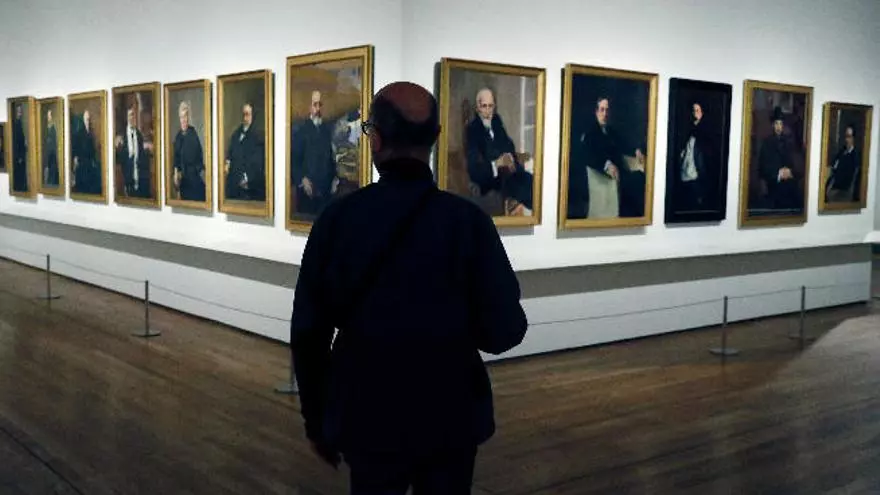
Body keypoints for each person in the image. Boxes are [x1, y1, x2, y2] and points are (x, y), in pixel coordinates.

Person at [290, 81, 528, 494]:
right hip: (450, 415)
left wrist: (317, 421)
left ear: (376, 140)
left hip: (368, 413)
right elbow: (505, 330)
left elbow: (309, 332)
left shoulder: (339, 221)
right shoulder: (468, 223)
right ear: (435, 138)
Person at [465, 87, 533, 215]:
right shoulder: (472, 130)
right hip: (491, 180)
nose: (488, 111)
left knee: (531, 181)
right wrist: (496, 164)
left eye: (490, 106)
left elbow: (508, 144)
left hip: (509, 173)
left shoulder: (496, 121)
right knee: (524, 188)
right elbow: (474, 168)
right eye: (484, 106)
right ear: (477, 108)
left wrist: (510, 158)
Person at [290, 90, 338, 217]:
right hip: (307, 192)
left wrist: (334, 178)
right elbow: (294, 161)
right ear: (309, 107)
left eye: (320, 105)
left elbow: (331, 158)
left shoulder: (326, 130)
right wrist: (303, 179)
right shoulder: (301, 131)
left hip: (325, 192)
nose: (318, 108)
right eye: (315, 104)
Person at [758, 106, 801, 212]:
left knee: (795, 194)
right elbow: (763, 167)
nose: (778, 127)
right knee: (780, 194)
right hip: (773, 181)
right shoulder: (766, 143)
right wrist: (778, 173)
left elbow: (792, 163)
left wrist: (789, 171)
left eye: (780, 124)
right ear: (773, 125)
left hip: (788, 180)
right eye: (776, 123)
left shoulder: (787, 142)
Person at [225, 102, 265, 201]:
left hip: (249, 185)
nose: (245, 118)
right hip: (234, 181)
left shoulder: (257, 136)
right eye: (243, 114)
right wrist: (227, 162)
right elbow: (230, 153)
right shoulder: (236, 134)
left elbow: (258, 162)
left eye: (247, 114)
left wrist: (246, 178)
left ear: (252, 116)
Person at [172, 101, 206, 202]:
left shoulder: (193, 134)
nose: (183, 120)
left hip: (193, 178)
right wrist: (176, 174)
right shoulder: (178, 136)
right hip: (182, 180)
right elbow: (176, 159)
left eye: (185, 116)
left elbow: (199, 157)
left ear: (188, 118)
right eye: (181, 117)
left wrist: (192, 171)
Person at [115, 106, 152, 198]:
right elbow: (119, 157)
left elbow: (141, 153)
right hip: (126, 175)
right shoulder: (122, 134)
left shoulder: (139, 135)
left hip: (139, 174)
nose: (131, 118)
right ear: (127, 117)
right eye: (130, 115)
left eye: (133, 115)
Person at [825, 123, 861, 203]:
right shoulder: (842, 151)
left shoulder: (854, 156)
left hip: (841, 190)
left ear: (853, 138)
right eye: (846, 136)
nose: (846, 139)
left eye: (849, 136)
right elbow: (834, 165)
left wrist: (832, 185)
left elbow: (848, 178)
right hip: (833, 185)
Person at [72, 110, 101, 195]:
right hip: (82, 165)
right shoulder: (79, 133)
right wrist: (76, 159)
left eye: (89, 119)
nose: (88, 121)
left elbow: (93, 150)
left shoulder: (91, 132)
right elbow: (75, 150)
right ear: (83, 120)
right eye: (87, 119)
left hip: (90, 165)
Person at [12, 104, 28, 193]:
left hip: (21, 154)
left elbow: (21, 140)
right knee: (20, 174)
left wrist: (25, 143)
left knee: (22, 173)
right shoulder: (16, 124)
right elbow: (15, 142)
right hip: (19, 156)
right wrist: (19, 157)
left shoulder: (20, 123)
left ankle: (22, 188)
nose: (20, 113)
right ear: (16, 113)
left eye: (21, 111)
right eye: (18, 111)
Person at [43, 109, 59, 187]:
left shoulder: (53, 126)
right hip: (47, 151)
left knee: (53, 167)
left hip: (53, 150)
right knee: (48, 167)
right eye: (48, 115)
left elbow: (54, 139)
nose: (49, 117)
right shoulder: (45, 127)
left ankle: (53, 182)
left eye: (50, 115)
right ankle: (49, 182)